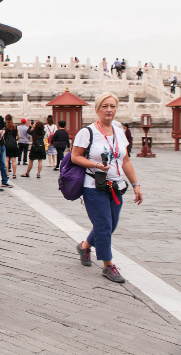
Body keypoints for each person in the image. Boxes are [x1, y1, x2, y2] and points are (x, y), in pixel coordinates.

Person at [71, 93, 143, 283]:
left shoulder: (119, 131)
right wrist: (95, 165)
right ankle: (108, 265)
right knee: (103, 225)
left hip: (116, 186)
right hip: (94, 185)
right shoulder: (87, 132)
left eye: (112, 106)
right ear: (97, 109)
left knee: (110, 226)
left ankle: (84, 246)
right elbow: (75, 157)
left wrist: (136, 185)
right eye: (104, 106)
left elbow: (125, 160)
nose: (109, 109)